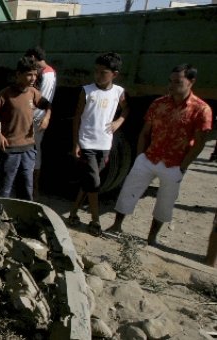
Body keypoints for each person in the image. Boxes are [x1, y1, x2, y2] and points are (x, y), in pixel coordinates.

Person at [106, 64, 213, 245]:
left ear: (191, 82)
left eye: (178, 82)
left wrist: (184, 165)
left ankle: (151, 238)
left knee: (165, 202)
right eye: (170, 81)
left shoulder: (201, 110)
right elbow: (145, 132)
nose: (172, 85)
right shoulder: (159, 103)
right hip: (149, 157)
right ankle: (116, 225)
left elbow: (200, 142)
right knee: (129, 191)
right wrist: (140, 156)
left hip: (174, 164)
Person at [67, 52, 129, 235]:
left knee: (90, 183)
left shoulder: (119, 92)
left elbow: (126, 110)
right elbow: (77, 118)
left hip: (105, 145)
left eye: (103, 72)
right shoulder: (87, 91)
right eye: (96, 71)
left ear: (114, 74)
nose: (98, 75)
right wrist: (75, 143)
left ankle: (72, 213)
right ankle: (95, 221)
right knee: (94, 182)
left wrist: (118, 121)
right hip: (87, 143)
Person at [0, 56, 50, 200]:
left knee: (26, 186)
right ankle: (0, 213)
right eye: (29, 74)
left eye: (35, 74)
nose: (33, 78)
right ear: (18, 74)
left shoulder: (33, 92)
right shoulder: (6, 94)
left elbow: (47, 105)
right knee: (5, 187)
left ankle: (23, 216)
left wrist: (46, 118)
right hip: (10, 148)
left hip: (28, 148)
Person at [24, 47, 56, 199]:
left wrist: (32, 114)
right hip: (33, 117)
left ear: (33, 57)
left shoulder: (47, 74)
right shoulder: (43, 73)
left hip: (35, 119)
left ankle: (33, 188)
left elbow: (43, 100)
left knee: (33, 152)